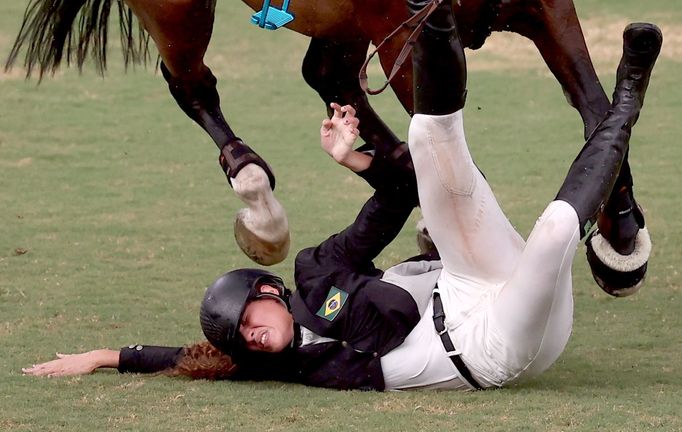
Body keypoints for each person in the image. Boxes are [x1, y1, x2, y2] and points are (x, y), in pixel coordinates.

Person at [23, 0, 662, 391]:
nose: (251, 336)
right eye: (244, 337)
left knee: (434, 145)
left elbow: (395, 196)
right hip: (490, 347)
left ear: (270, 290)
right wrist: (107, 359)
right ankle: (628, 97)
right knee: (552, 233)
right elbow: (194, 357)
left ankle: (431, 19)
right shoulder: (282, 365)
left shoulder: (319, 271)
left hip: (470, 281)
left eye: (247, 320)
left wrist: (350, 156)